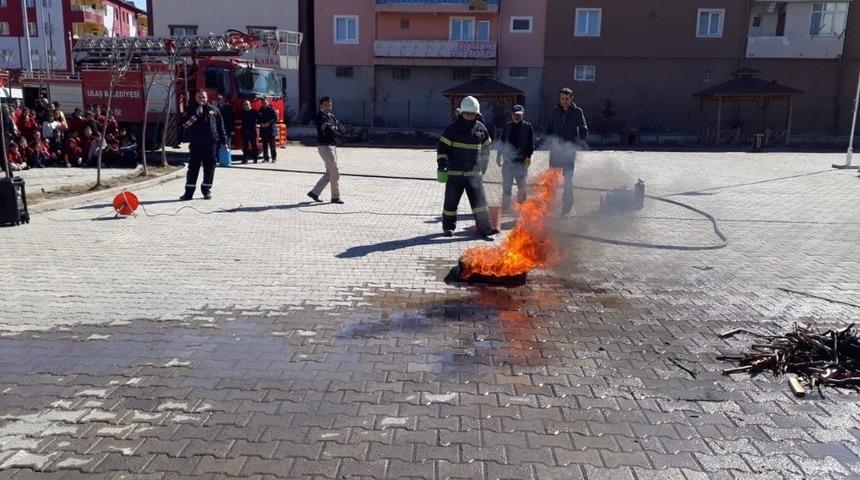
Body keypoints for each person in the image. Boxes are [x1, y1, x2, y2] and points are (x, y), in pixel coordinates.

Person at [436, 96, 498, 239]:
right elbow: (442, 148)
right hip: (455, 173)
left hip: (474, 174)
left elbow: (486, 148)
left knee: (480, 203)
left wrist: (484, 165)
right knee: (451, 202)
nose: (470, 116)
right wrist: (442, 164)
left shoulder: (481, 128)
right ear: (461, 113)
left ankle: (485, 229)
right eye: (467, 113)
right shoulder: (452, 129)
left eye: (472, 114)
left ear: (477, 114)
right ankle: (448, 228)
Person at [546, 87, 588, 217]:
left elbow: (583, 126)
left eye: (566, 99)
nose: (564, 101)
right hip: (556, 151)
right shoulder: (555, 111)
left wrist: (582, 134)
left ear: (571, 99)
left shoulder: (577, 112)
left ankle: (566, 210)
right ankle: (549, 207)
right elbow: (549, 127)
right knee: (552, 180)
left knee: (567, 181)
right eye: (562, 99)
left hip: (569, 152)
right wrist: (549, 140)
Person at [179, 90, 227, 200]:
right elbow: (185, 125)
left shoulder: (214, 110)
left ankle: (206, 190)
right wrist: (196, 114)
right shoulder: (190, 109)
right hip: (196, 144)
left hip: (211, 144)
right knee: (193, 168)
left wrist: (224, 142)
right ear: (196, 98)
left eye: (204, 97)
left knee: (210, 168)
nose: (202, 99)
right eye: (200, 97)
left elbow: (220, 127)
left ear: (207, 98)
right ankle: (189, 193)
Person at [496, 104, 535, 214]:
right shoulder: (507, 126)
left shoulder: (528, 127)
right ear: (511, 115)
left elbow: (531, 145)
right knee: (506, 188)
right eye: (514, 115)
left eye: (518, 115)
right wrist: (498, 156)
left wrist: (528, 157)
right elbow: (502, 142)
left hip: (521, 163)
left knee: (521, 188)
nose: (516, 117)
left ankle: (521, 209)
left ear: (522, 115)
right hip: (508, 163)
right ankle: (505, 208)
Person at [307, 96, 343, 203]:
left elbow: (339, 126)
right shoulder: (320, 117)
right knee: (335, 171)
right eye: (326, 105)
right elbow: (328, 129)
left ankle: (314, 193)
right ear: (321, 106)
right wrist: (338, 134)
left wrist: (343, 132)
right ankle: (335, 197)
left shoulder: (331, 116)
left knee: (329, 173)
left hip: (332, 146)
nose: (328, 107)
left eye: (330, 105)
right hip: (324, 147)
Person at [239, 100, 260, 164]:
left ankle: (255, 159)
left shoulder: (254, 112)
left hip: (252, 131)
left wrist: (258, 124)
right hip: (245, 131)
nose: (246, 105)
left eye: (247, 104)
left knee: (254, 146)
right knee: (245, 146)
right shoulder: (242, 112)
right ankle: (245, 159)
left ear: (250, 104)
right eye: (245, 104)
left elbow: (259, 119)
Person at [258, 98, 278, 163]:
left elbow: (275, 118)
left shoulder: (272, 109)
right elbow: (259, 118)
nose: (264, 104)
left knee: (272, 146)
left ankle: (274, 158)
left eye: (265, 103)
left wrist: (268, 123)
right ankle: (266, 159)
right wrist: (260, 123)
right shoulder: (260, 110)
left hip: (271, 130)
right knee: (264, 146)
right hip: (264, 130)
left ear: (268, 103)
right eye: (263, 103)